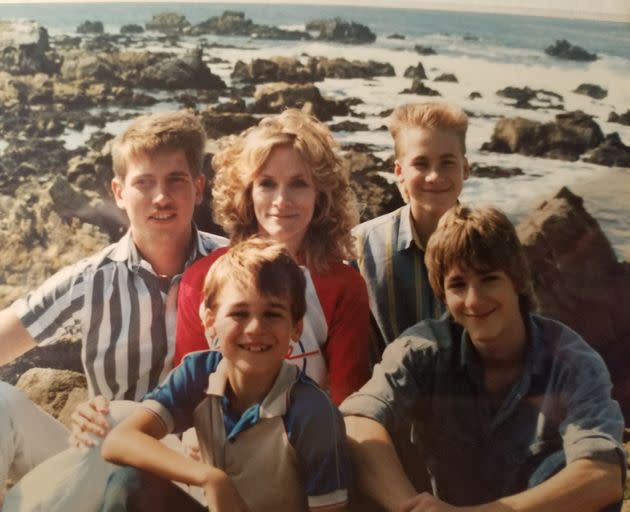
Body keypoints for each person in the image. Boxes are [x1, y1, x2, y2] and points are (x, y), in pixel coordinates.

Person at [0, 110, 227, 508]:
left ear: (199, 187)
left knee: (120, 418)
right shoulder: (91, 278)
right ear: (120, 192)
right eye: (144, 183)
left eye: (176, 180)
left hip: (194, 464)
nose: (161, 197)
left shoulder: (233, 269)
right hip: (97, 460)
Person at [341, 204, 625, 512]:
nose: (474, 300)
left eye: (489, 279)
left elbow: (602, 474)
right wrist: (407, 506)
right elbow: (357, 420)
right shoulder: (422, 350)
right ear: (442, 294)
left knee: (571, 476)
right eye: (458, 285)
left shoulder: (571, 361)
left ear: (516, 281)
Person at [100, 238, 351, 512]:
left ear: (296, 328)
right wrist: (210, 478)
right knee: (131, 484)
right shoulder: (199, 373)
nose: (255, 327)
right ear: (210, 322)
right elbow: (118, 440)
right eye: (239, 314)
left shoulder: (312, 412)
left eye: (272, 314)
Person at [175, 108, 370, 405]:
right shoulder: (200, 280)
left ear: (320, 195)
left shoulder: (344, 287)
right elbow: (187, 396)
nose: (282, 200)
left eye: (299, 183)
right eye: (267, 183)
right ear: (246, 193)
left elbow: (349, 403)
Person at [353, 101, 470, 353]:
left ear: (466, 168)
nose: (434, 176)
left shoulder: (490, 244)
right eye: (421, 163)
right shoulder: (361, 248)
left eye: (447, 163)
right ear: (399, 171)